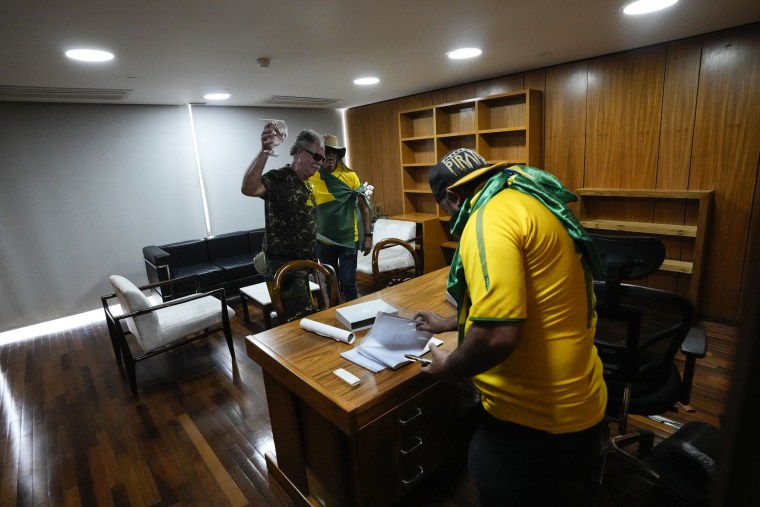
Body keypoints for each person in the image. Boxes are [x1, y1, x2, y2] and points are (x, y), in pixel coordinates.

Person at [413, 147, 608, 506]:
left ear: (453, 197)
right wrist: (447, 322)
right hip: (582, 401)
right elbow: (529, 299)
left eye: (444, 208)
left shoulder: (487, 220)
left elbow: (496, 336)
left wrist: (449, 368)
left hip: (535, 423)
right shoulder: (529, 199)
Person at [241, 124, 325, 320]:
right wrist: (265, 151)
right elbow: (249, 188)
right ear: (300, 152)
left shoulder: (308, 183)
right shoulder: (280, 178)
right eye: (317, 157)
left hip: (302, 264)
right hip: (285, 267)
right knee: (299, 321)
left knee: (302, 318)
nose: (320, 163)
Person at [309, 135, 372, 301]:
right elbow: (308, 210)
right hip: (323, 240)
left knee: (348, 281)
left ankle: (353, 313)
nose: (330, 155)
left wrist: (368, 236)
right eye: (326, 151)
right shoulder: (312, 177)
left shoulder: (350, 176)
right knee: (331, 281)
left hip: (348, 239)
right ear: (320, 155)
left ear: (338, 155)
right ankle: (334, 314)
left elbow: (364, 208)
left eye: (334, 152)